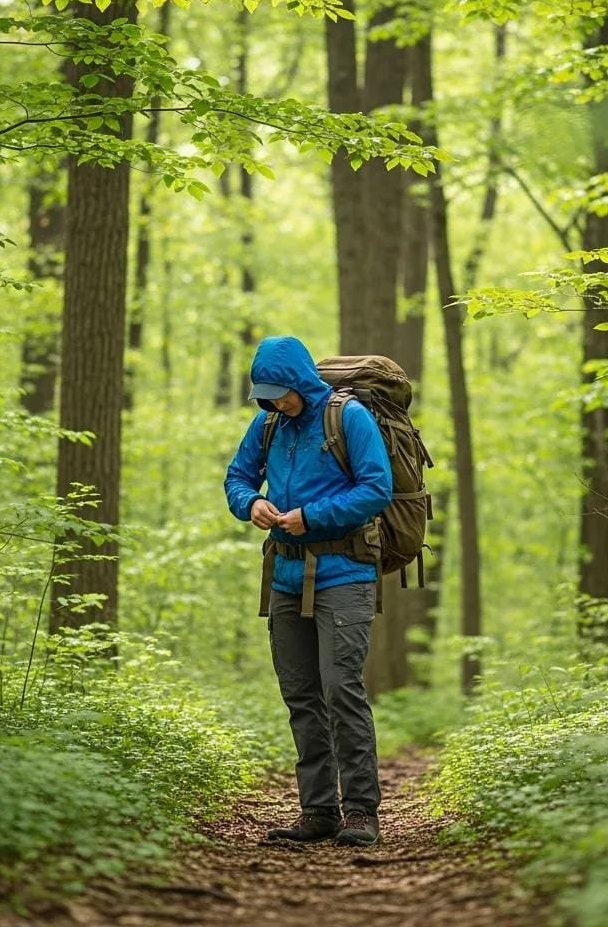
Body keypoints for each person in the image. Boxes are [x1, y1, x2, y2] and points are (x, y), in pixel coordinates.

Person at [224, 335, 392, 846]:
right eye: (266, 394)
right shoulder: (268, 423)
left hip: (344, 573)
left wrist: (310, 516)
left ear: (300, 381)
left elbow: (376, 488)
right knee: (300, 695)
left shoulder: (349, 417)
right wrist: (250, 502)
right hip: (285, 577)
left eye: (281, 392)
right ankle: (318, 811)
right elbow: (236, 477)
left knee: (341, 689)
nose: (274, 402)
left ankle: (361, 812)